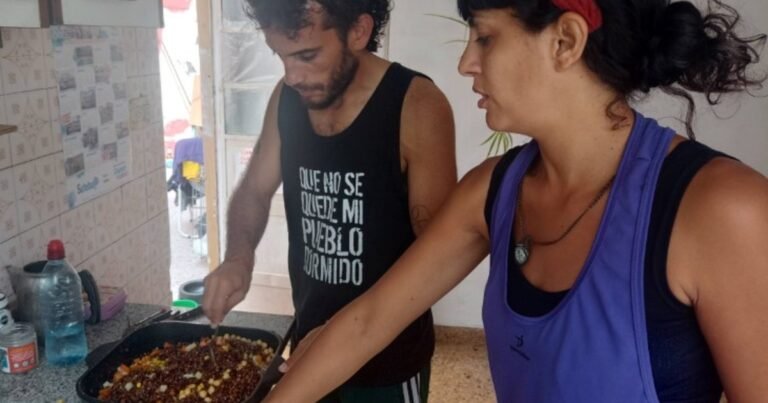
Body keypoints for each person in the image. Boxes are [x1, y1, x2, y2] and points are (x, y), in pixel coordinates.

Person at [261, 0, 768, 402]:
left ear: (565, 41)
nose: (465, 63)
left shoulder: (720, 208)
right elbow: (368, 321)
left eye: (484, 36)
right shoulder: (494, 190)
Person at [201, 0, 457, 401]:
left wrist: (345, 332)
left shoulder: (416, 105)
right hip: (306, 349)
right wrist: (238, 258)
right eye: (280, 56)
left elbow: (441, 255)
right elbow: (254, 189)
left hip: (386, 362)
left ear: (358, 31)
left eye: (306, 55)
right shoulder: (286, 99)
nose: (291, 75)